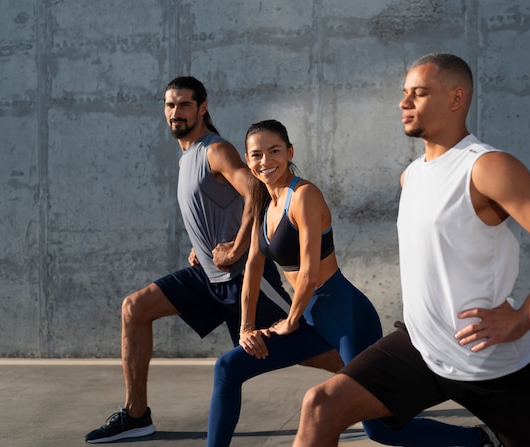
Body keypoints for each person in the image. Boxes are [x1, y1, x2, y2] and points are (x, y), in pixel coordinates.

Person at [292, 53, 530, 447]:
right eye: (404, 93)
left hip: (491, 360)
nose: (404, 103)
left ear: (456, 98)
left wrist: (522, 319)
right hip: (421, 347)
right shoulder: (412, 175)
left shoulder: (485, 167)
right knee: (321, 405)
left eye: (418, 93)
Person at [205, 119, 498, 447]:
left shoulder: (304, 196)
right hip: (310, 318)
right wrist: (246, 328)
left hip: (345, 315)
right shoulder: (262, 203)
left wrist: (289, 321)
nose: (265, 161)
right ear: (247, 159)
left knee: (379, 429)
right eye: (256, 155)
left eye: (274, 151)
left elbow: (310, 274)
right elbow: (253, 270)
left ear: (289, 152)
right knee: (228, 367)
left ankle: (480, 440)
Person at [84, 77, 341, 444]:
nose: (176, 112)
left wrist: (237, 249)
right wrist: (201, 247)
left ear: (202, 107)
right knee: (134, 308)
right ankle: (136, 414)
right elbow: (213, 210)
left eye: (185, 104)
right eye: (170, 105)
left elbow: (254, 191)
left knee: (306, 348)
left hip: (242, 279)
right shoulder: (185, 158)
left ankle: (376, 382)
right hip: (206, 276)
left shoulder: (214, 149)